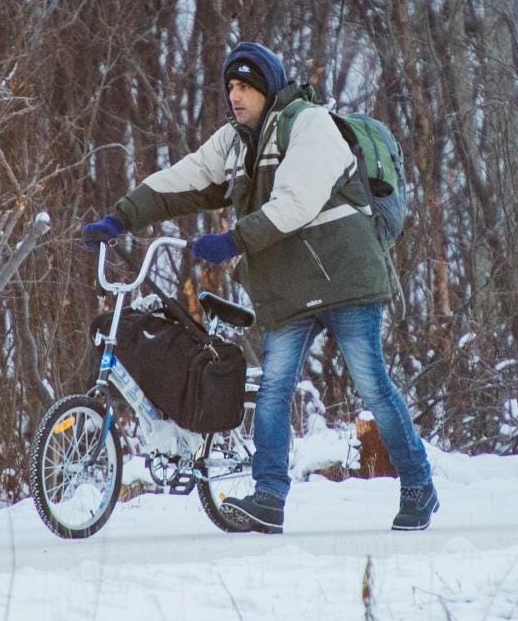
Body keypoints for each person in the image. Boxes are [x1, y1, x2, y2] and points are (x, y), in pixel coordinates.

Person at [80, 41, 437, 532]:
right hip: (288, 291)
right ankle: (269, 497)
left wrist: (232, 240)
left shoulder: (308, 124)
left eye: (245, 86)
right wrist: (119, 218)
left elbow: (296, 202)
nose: (235, 95)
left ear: (268, 89)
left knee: (372, 385)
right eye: (230, 86)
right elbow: (180, 178)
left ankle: (418, 484)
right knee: (272, 392)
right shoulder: (233, 144)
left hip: (345, 277)